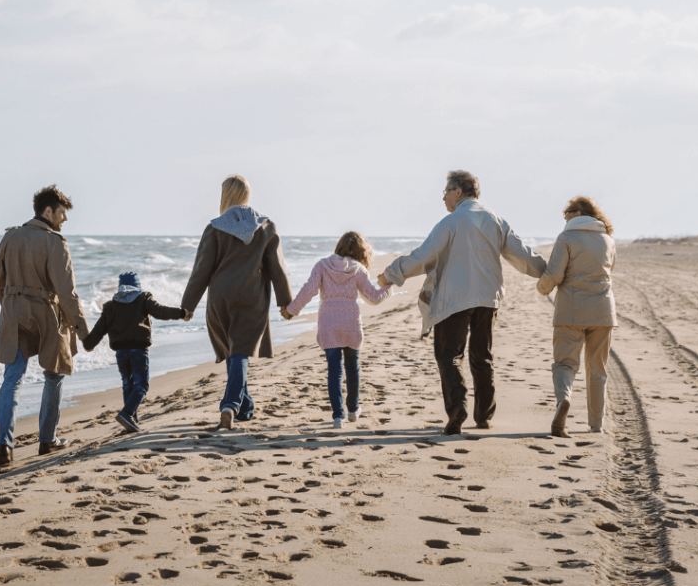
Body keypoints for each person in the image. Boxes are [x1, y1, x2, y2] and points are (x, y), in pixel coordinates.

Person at [378, 170, 546, 435]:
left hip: (454, 298)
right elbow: (522, 255)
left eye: (445, 192)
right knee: (482, 357)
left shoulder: (451, 222)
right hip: (487, 299)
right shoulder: (496, 220)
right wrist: (549, 271)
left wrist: (391, 274)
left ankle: (458, 408)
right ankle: (483, 416)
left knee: (449, 356)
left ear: (458, 192)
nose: (443, 198)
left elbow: (425, 256)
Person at [181, 175, 292, 429]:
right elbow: (277, 268)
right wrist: (285, 303)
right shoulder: (266, 226)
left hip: (220, 297)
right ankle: (231, 404)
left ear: (226, 196)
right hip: (252, 297)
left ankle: (244, 407)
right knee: (240, 351)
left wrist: (188, 305)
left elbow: (201, 269)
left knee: (235, 351)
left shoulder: (214, 228)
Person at [0, 184, 89, 466]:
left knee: (12, 378)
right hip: (47, 312)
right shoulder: (55, 243)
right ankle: (47, 440)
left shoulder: (9, 237)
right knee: (54, 374)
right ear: (48, 211)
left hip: (13, 311)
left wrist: (11, 306)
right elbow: (67, 292)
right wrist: (83, 330)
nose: (64, 220)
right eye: (62, 213)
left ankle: (4, 446)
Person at [282, 231, 390, 429]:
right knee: (352, 367)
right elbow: (373, 298)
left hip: (328, 323)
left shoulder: (322, 266)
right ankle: (353, 409)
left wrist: (291, 311)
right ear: (361, 252)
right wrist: (388, 286)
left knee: (334, 370)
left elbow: (308, 291)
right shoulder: (358, 269)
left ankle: (338, 416)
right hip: (350, 323)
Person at [536, 196, 617, 437]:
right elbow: (609, 270)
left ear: (578, 212)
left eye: (567, 213)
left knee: (565, 363)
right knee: (598, 369)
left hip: (570, 310)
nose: (565, 218)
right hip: (603, 311)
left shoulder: (566, 238)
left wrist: (542, 288)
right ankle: (596, 425)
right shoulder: (608, 240)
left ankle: (564, 399)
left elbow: (555, 275)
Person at [82, 271, 191, 433]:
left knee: (128, 384)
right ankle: (127, 414)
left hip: (121, 352)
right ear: (137, 286)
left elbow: (99, 330)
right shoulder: (143, 298)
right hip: (138, 350)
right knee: (141, 385)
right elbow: (160, 311)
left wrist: (88, 344)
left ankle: (131, 419)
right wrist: (182, 313)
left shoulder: (110, 306)